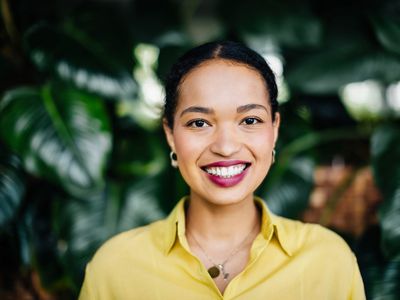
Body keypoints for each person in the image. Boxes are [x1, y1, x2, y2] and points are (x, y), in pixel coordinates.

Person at [79, 41, 365, 299]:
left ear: (275, 129)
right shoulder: (115, 268)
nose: (226, 147)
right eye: (199, 123)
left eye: (250, 120)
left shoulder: (328, 261)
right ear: (170, 134)